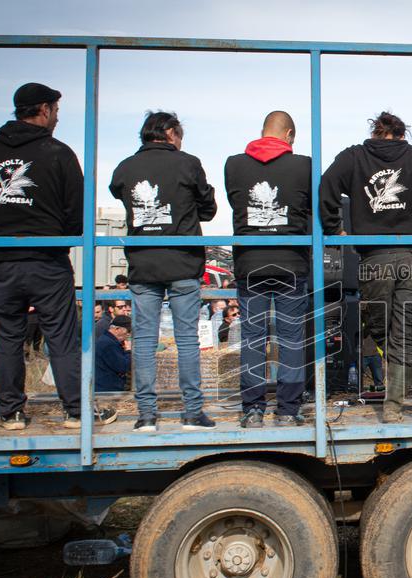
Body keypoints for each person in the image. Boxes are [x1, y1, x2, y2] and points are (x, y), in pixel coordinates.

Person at [0, 82, 115, 430]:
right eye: (57, 111)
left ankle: (11, 412)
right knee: (61, 337)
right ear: (44, 110)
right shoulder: (58, 152)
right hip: (46, 259)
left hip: (0, 260)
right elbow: (78, 216)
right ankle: (76, 411)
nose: (57, 118)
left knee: (7, 338)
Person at [320, 111, 412, 423]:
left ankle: (393, 408)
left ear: (374, 132)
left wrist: (333, 226)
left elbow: (327, 185)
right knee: (405, 335)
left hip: (374, 260)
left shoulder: (353, 157)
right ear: (401, 134)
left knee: (382, 333)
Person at [109, 110, 217, 432]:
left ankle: (146, 415)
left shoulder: (126, 167)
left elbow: (117, 190)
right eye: (180, 136)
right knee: (186, 340)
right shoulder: (188, 163)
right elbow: (209, 210)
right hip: (182, 262)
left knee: (143, 339)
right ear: (170, 132)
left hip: (143, 263)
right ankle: (193, 413)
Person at [225, 111, 316, 427]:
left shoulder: (233, 165)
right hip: (291, 261)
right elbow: (313, 207)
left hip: (250, 262)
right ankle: (288, 411)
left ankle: (252, 410)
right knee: (291, 339)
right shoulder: (304, 165)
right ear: (289, 134)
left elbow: (235, 203)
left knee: (253, 337)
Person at [95, 315, 132, 392]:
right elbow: (123, 367)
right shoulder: (108, 344)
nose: (129, 334)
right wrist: (128, 351)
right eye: (128, 330)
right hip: (107, 390)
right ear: (117, 329)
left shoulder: (106, 340)